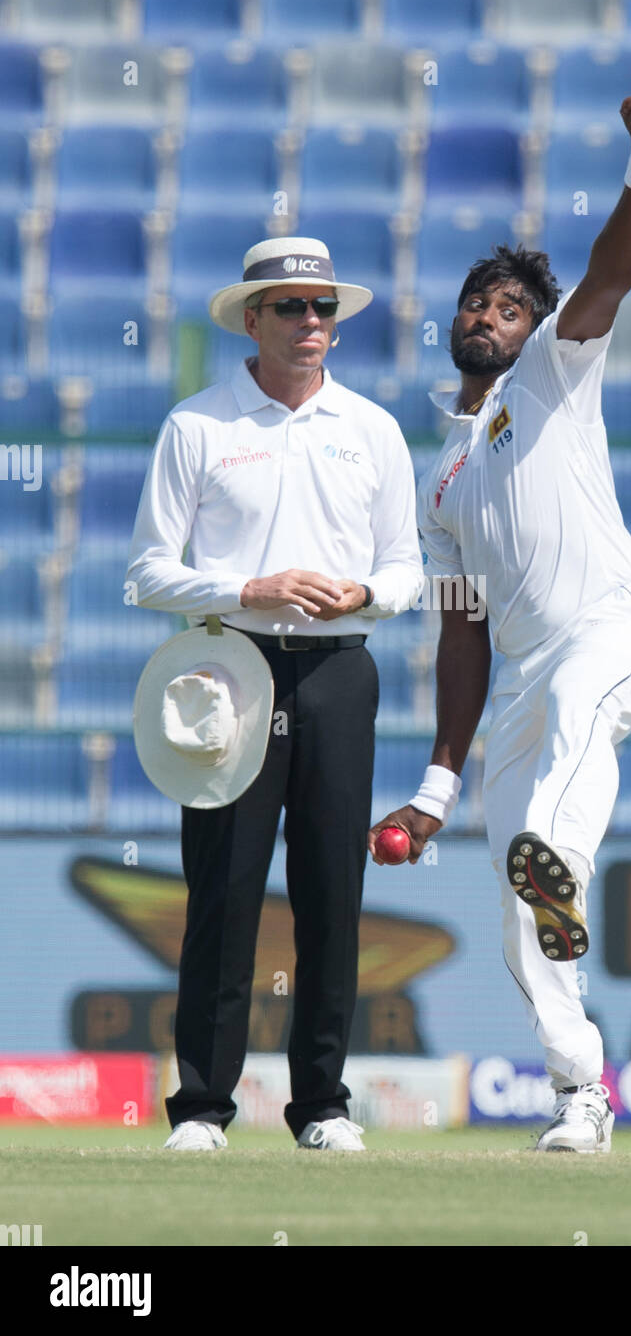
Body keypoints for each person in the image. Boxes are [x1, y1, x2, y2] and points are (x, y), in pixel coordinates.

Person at [369, 89, 631, 1154]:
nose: (490, 316)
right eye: (478, 303)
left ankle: (560, 855)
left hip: (613, 628)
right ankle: (580, 1096)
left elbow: (613, 271)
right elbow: (461, 635)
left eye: (509, 305)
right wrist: (434, 789)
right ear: (452, 321)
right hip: (518, 686)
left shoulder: (554, 366)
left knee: (553, 814)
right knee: (519, 905)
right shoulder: (438, 483)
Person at [126, 237, 424, 1152]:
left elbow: (407, 566)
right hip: (228, 667)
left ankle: (323, 1106)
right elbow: (144, 573)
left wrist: (365, 594)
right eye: (291, 307)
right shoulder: (199, 425)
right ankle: (204, 1108)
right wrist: (245, 590)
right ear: (248, 319)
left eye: (323, 307)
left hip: (339, 665)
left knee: (334, 893)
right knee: (223, 891)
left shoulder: (370, 427)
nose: (311, 323)